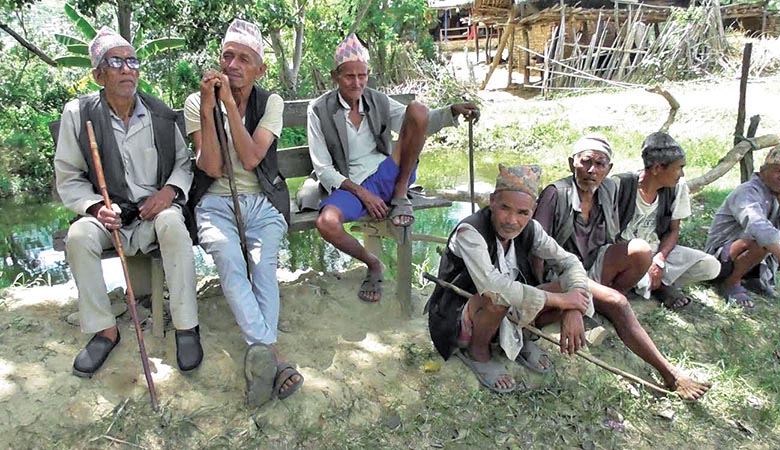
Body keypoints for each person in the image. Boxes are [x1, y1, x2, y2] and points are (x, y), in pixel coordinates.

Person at [54, 27, 202, 378]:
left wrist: (167, 193)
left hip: (155, 212)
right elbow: (70, 176)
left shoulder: (160, 114)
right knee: (79, 238)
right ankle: (105, 329)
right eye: (115, 62)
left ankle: (186, 326)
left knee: (173, 224)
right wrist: (95, 208)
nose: (126, 69)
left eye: (131, 61)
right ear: (97, 74)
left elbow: (183, 165)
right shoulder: (79, 114)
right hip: (108, 215)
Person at [303, 33, 480, 303]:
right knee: (326, 223)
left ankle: (399, 193)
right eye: (349, 76)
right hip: (350, 184)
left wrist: (452, 111)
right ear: (335, 76)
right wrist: (364, 194)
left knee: (417, 109)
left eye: (362, 76)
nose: (357, 82)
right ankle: (373, 264)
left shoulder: (377, 100)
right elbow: (323, 168)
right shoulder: (318, 109)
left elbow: (421, 123)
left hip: (389, 173)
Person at [533, 134, 711, 400]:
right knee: (618, 302)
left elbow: (613, 236)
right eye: (586, 162)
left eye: (600, 164)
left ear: (609, 169)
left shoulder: (607, 190)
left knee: (641, 251)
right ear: (572, 163)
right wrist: (559, 296)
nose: (592, 171)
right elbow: (537, 252)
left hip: (591, 266)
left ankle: (593, 304)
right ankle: (671, 375)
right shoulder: (555, 194)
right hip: (560, 274)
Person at [183, 19, 302, 407]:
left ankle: (263, 356)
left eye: (244, 59)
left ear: (259, 69)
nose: (233, 64)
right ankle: (273, 355)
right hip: (215, 204)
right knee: (230, 260)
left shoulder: (271, 103)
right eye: (227, 56)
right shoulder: (195, 102)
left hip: (262, 203)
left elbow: (251, 158)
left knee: (263, 265)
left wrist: (231, 107)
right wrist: (208, 108)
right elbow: (213, 167)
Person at [426, 164, 593, 393]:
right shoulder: (470, 231)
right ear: (492, 201)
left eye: (523, 213)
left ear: (532, 210)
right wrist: (561, 301)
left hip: (509, 310)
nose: (512, 220)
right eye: (505, 208)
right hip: (461, 313)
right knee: (497, 299)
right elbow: (493, 287)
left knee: (566, 286)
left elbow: (570, 262)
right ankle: (478, 353)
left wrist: (574, 309)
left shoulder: (531, 229)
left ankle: (521, 339)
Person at [614, 132, 720, 308]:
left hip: (657, 252)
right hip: (626, 256)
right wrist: (643, 262)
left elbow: (673, 230)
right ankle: (659, 285)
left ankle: (649, 282)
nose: (682, 173)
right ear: (656, 168)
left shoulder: (677, 188)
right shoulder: (620, 185)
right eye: (678, 167)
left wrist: (659, 260)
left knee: (710, 266)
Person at [705, 141, 780, 309]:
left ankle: (753, 278)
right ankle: (730, 282)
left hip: (754, 255)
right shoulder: (747, 191)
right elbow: (761, 231)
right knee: (761, 240)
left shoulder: (777, 194)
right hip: (721, 259)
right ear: (763, 171)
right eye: (779, 171)